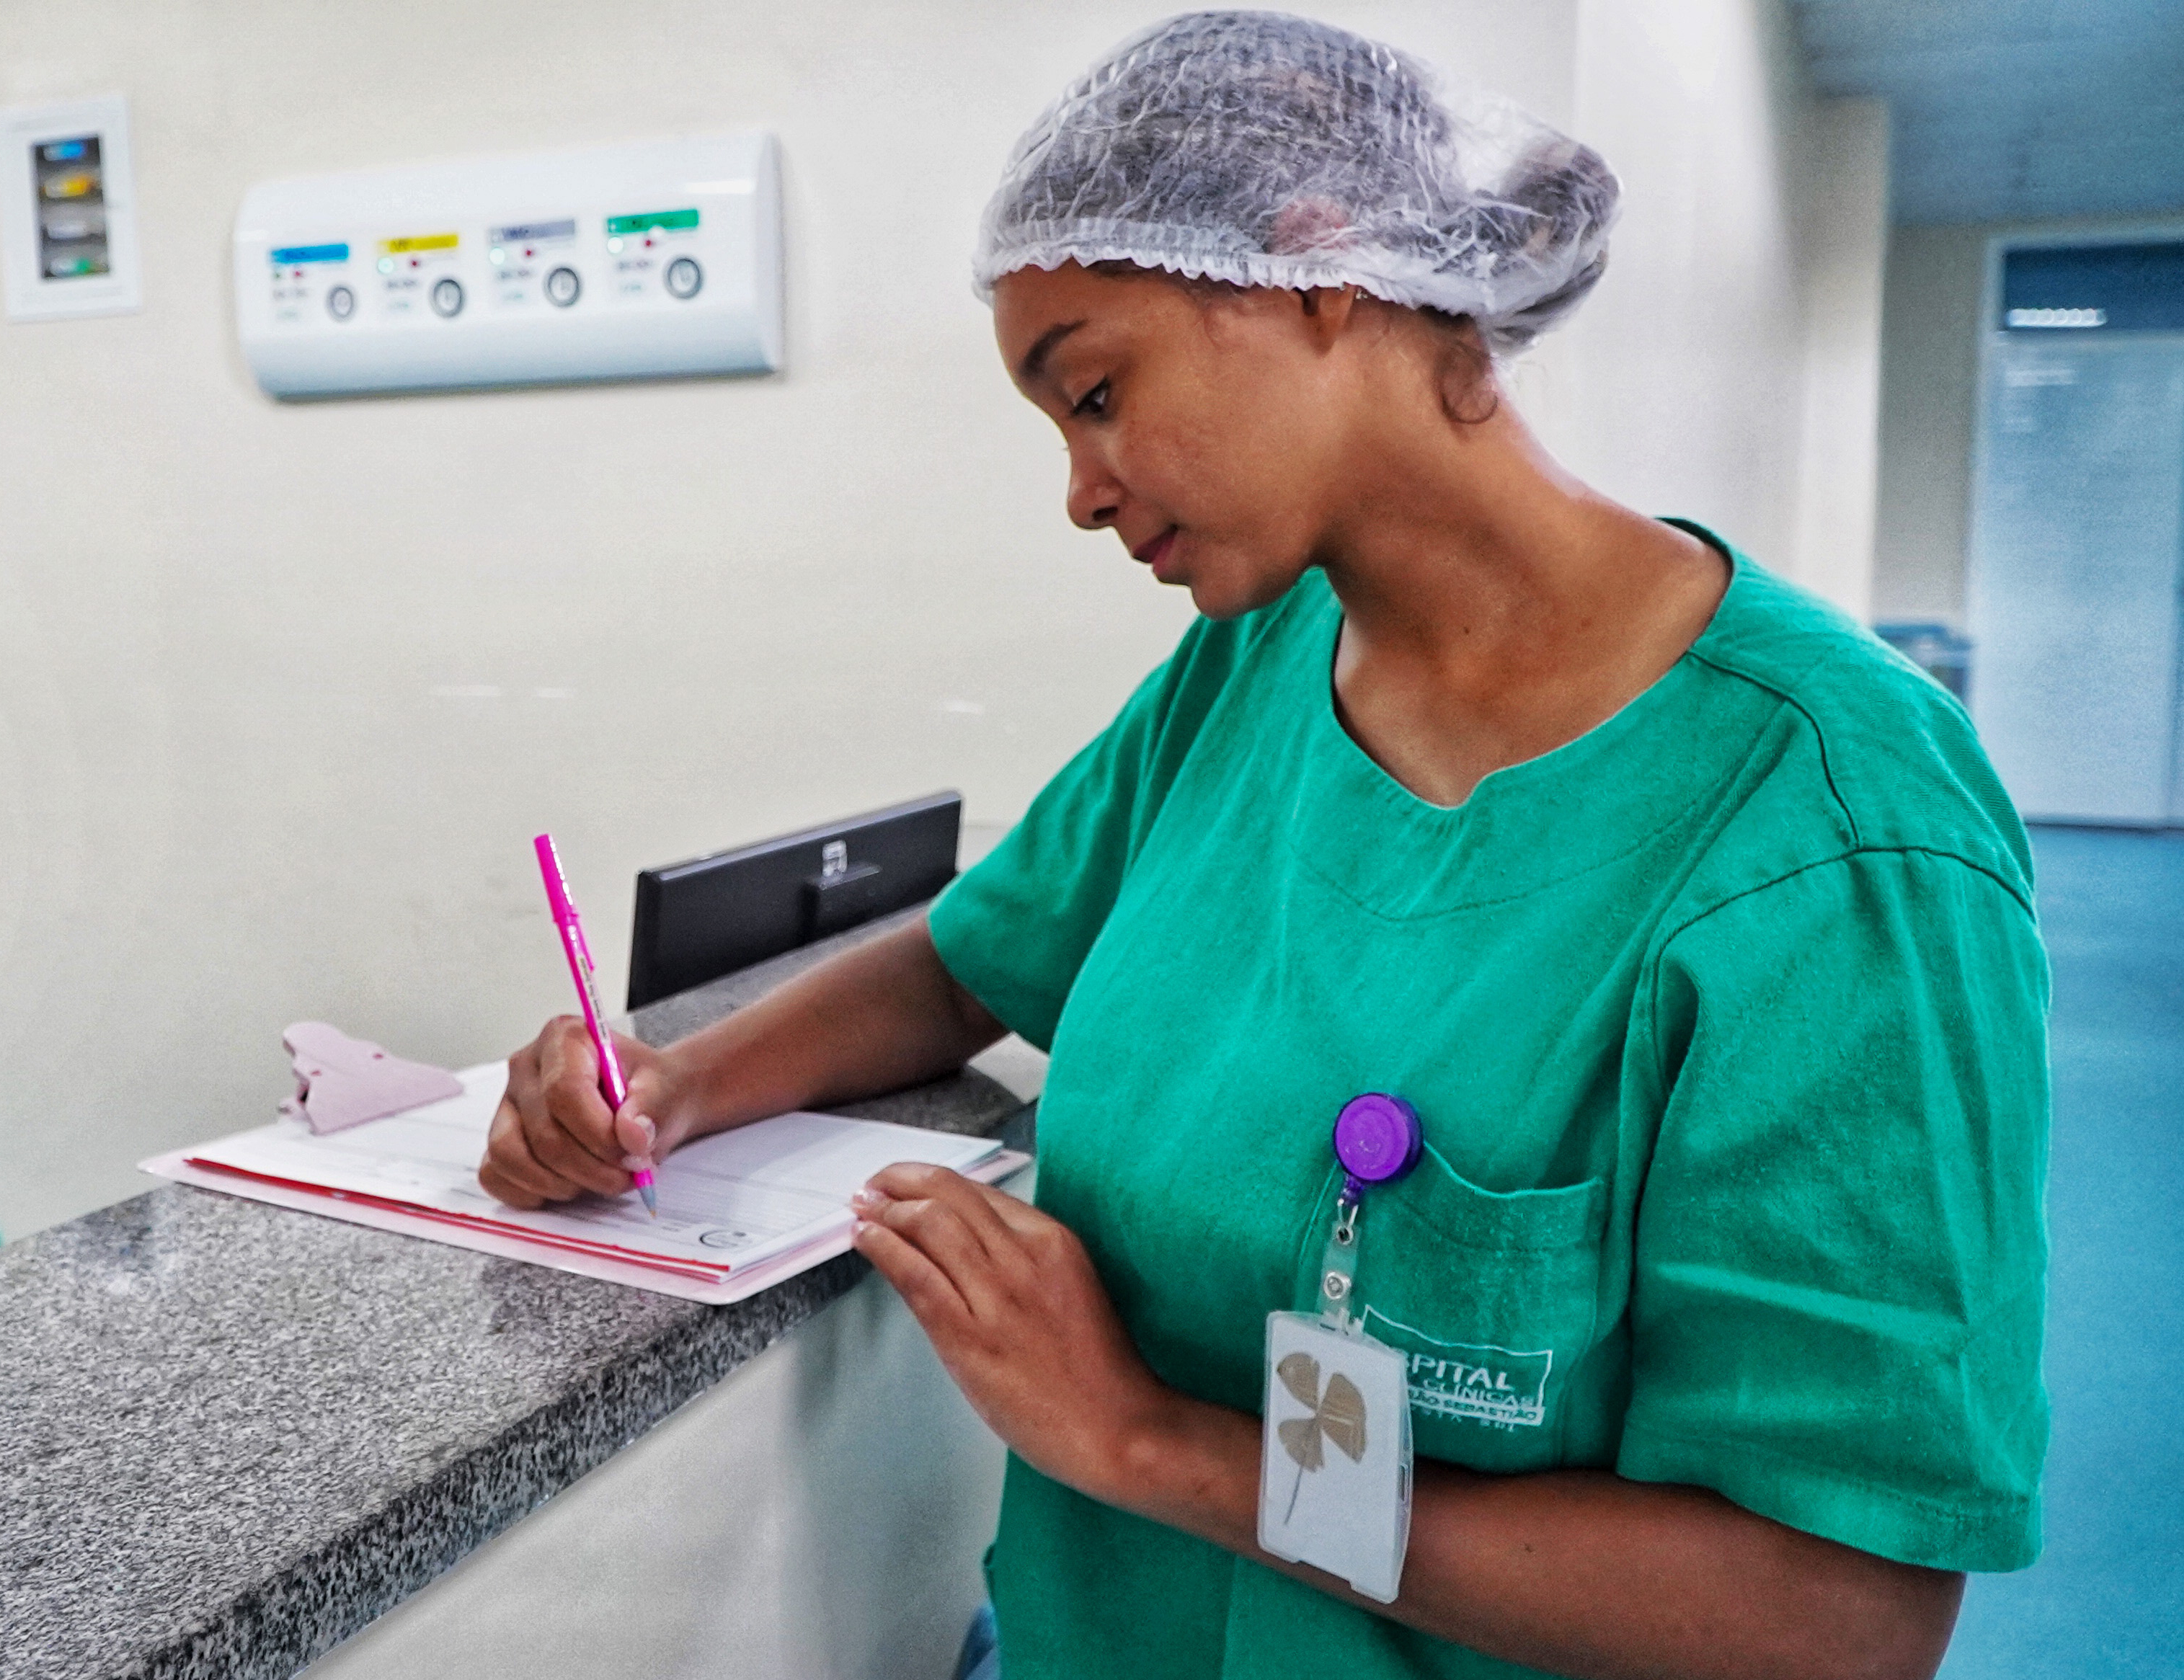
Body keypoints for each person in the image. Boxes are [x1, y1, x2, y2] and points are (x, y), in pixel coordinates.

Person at [481, 13, 2049, 1679]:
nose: (1081, 491)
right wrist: (670, 1088)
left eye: (1098, 391)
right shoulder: (1252, 668)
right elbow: (966, 962)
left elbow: (1834, 1615)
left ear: (1318, 274)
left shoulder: (1834, 828)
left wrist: (1153, 1443)